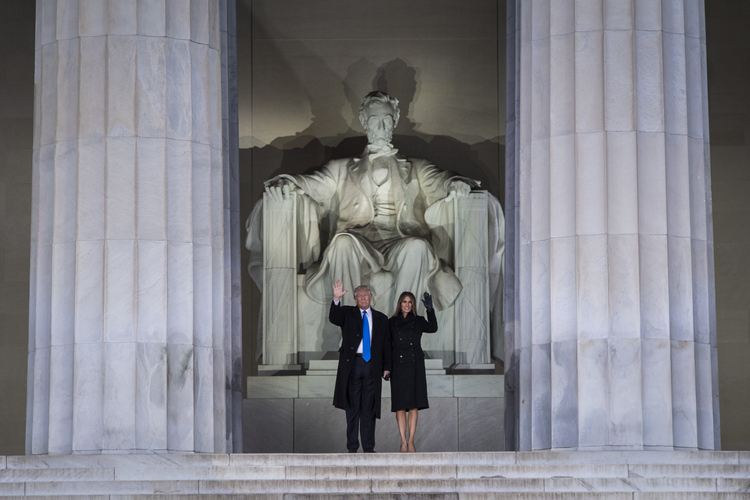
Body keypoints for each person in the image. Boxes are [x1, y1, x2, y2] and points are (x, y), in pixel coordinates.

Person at [263, 91, 478, 311]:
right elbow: (312, 184)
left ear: (394, 120)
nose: (382, 128)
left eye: (386, 120)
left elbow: (441, 180)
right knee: (341, 243)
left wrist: (455, 183)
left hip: (399, 240)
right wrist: (288, 183)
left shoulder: (417, 167)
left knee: (419, 247)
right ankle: (353, 331)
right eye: (375, 121)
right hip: (358, 239)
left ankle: (402, 329)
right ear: (365, 122)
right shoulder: (341, 168)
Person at [329, 280, 390, 453]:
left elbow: (386, 344)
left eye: (366, 295)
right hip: (353, 365)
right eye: (359, 296)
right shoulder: (348, 313)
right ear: (355, 299)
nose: (363, 298)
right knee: (352, 407)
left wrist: (387, 367)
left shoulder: (381, 318)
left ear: (371, 297)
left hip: (372, 366)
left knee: (369, 408)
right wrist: (336, 299)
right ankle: (352, 446)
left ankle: (369, 447)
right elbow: (334, 318)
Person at [384, 290, 438, 452]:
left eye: (410, 302)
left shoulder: (419, 321)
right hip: (398, 366)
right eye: (404, 302)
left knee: (413, 406)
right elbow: (387, 346)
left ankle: (411, 441)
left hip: (415, 365)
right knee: (400, 406)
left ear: (413, 305)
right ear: (399, 304)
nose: (407, 305)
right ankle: (402, 441)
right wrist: (386, 368)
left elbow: (433, 328)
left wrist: (430, 310)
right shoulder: (391, 322)